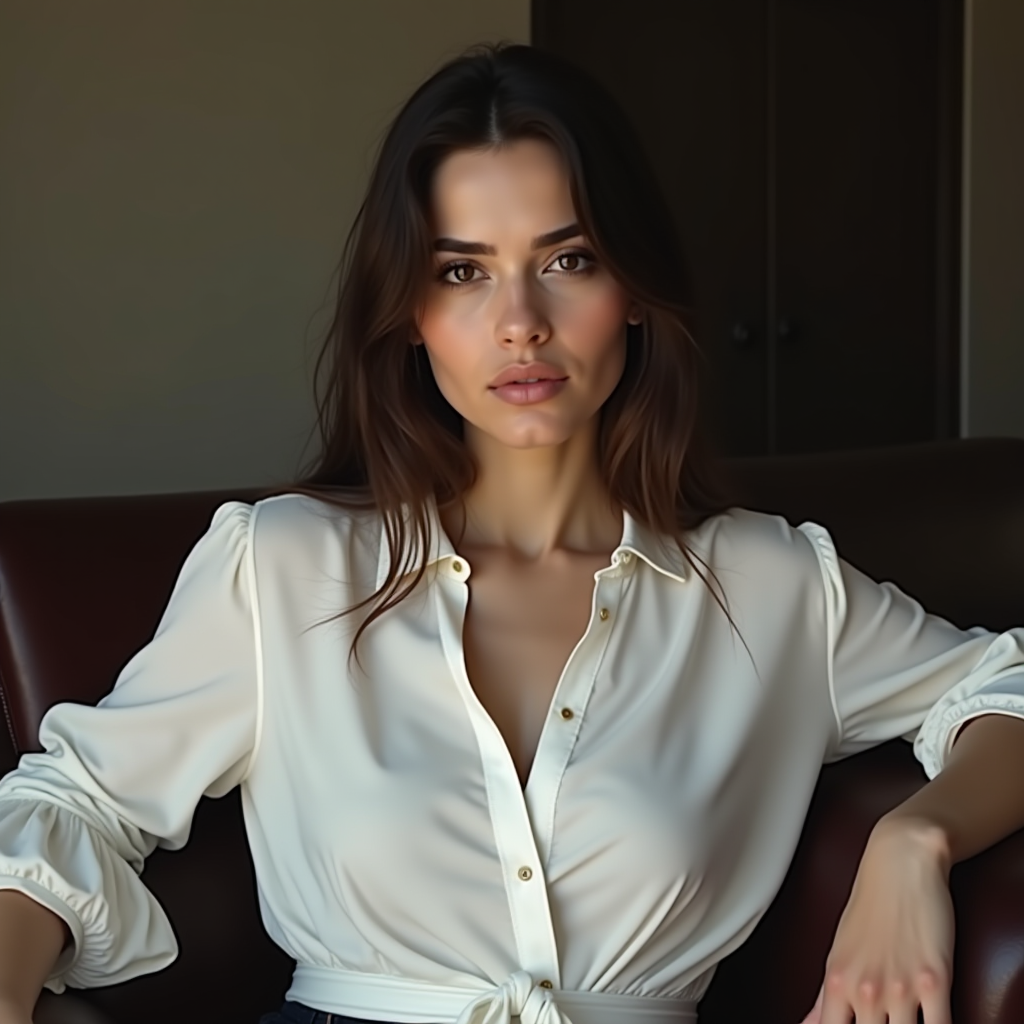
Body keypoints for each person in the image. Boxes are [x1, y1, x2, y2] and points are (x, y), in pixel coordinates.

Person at [1, 40, 1023, 1024]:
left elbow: (1003, 688)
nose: (519, 321)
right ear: (407, 310)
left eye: (567, 259)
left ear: (631, 289)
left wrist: (915, 839)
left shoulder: (771, 584)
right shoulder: (282, 565)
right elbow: (79, 799)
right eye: (462, 271)